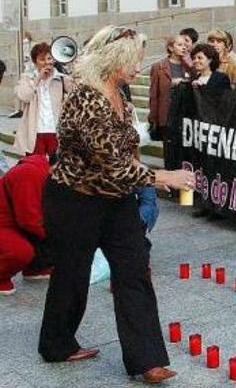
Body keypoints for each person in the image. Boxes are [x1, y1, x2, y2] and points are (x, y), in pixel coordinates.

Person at [38, 25, 195, 384]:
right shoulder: (86, 97)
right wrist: (162, 177)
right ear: (114, 59)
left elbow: (124, 151)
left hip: (117, 198)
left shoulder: (120, 90)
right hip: (75, 199)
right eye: (134, 61)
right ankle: (57, 344)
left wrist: (144, 179)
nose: (139, 68)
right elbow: (109, 160)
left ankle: (147, 361)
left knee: (134, 270)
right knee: (72, 274)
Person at [0, 154, 53, 295]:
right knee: (20, 251)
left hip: (16, 222)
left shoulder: (45, 172)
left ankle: (35, 267)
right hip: (5, 222)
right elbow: (29, 219)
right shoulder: (30, 173)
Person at [13, 43, 72, 156]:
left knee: (55, 167)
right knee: (36, 167)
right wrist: (38, 78)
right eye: (42, 59)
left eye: (49, 58)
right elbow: (24, 96)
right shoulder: (27, 78)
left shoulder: (60, 78)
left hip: (55, 131)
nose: (47, 62)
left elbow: (75, 91)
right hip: (35, 133)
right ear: (35, 62)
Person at [148, 35, 190, 156]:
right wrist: (153, 118)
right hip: (167, 115)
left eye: (185, 45)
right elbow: (154, 95)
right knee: (170, 151)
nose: (183, 48)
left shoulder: (189, 64)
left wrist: (190, 63)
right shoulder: (159, 67)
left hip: (184, 114)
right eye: (179, 45)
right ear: (171, 48)